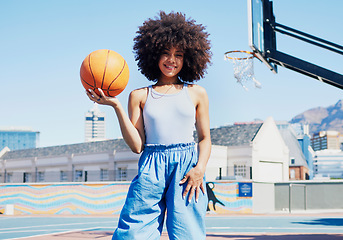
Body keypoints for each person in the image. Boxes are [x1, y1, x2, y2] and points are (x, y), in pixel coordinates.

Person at [86, 11, 212, 240]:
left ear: (188, 58)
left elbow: (204, 138)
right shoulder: (139, 96)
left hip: (186, 168)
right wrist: (116, 106)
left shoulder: (197, 93)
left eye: (179, 54)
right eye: (165, 53)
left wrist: (200, 169)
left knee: (189, 236)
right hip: (151, 165)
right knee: (132, 234)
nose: (171, 60)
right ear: (153, 55)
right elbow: (136, 146)